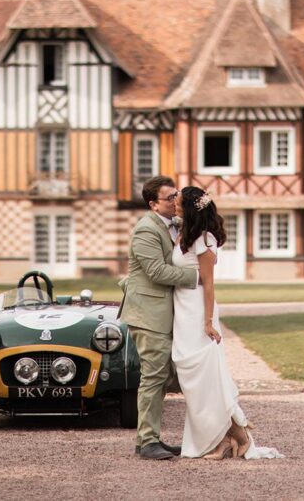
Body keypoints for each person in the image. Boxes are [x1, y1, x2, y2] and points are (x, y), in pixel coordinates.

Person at [171, 185, 284, 460]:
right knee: (191, 378)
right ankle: (222, 441)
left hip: (198, 311)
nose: (173, 202)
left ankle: (241, 436)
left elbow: (209, 284)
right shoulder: (185, 232)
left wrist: (208, 322)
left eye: (177, 199)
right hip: (182, 310)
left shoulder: (204, 239)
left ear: (188, 206)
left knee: (206, 378)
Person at [118, 175, 198, 460]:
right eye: (170, 197)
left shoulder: (172, 224)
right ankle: (147, 441)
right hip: (147, 314)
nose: (176, 200)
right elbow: (158, 273)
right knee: (154, 376)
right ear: (153, 204)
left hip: (164, 313)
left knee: (163, 375)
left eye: (176, 194)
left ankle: (149, 438)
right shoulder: (146, 231)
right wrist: (197, 276)